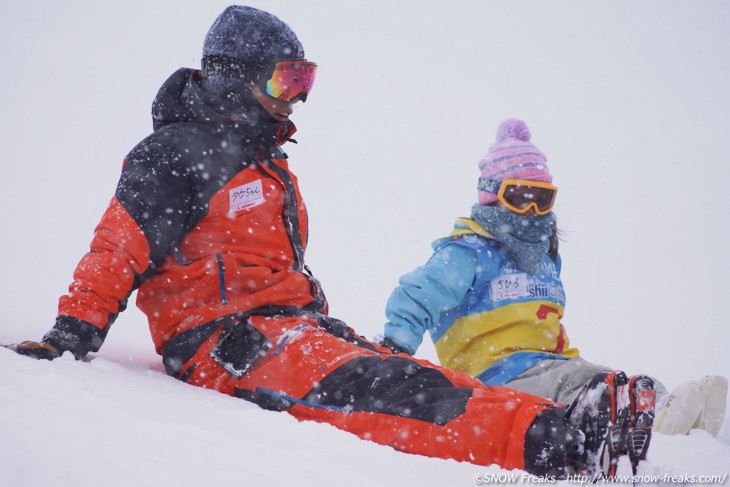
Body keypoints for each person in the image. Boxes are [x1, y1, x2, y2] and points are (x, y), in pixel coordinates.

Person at [7, 6, 651, 479]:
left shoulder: (264, 159)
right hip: (229, 344)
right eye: (286, 81)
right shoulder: (176, 154)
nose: (298, 99)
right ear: (235, 78)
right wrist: (72, 334)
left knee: (415, 373)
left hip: (293, 325)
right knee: (384, 391)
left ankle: (577, 417)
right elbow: (117, 247)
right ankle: (557, 440)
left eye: (304, 81)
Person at [378, 118, 727, 437]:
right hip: (496, 377)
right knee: (583, 389)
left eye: (541, 199)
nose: (531, 210)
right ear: (492, 195)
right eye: (519, 197)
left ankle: (679, 414)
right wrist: (395, 349)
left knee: (607, 378)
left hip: (554, 365)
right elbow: (416, 295)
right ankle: (651, 423)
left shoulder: (544, 259)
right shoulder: (469, 253)